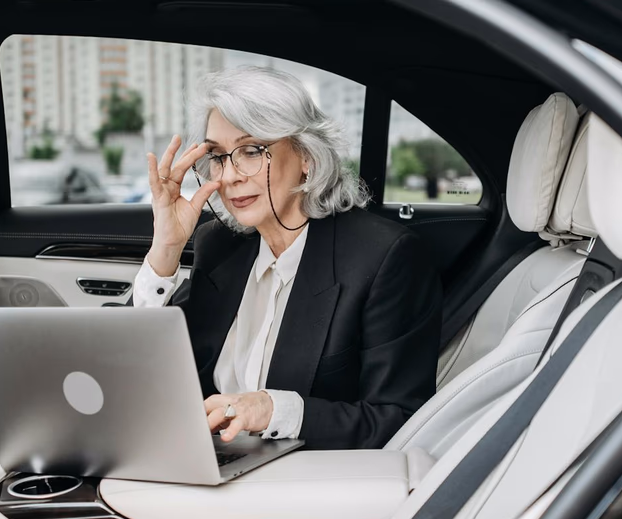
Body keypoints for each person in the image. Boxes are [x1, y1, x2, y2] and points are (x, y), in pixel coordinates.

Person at [133, 66, 440, 450]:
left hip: (305, 481)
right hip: (204, 459)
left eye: (250, 151)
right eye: (217, 156)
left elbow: (399, 419)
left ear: (307, 155)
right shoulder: (220, 245)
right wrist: (165, 250)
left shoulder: (382, 258)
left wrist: (275, 410)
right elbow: (141, 369)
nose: (228, 177)